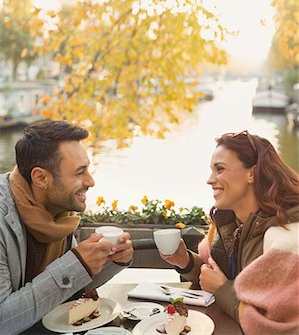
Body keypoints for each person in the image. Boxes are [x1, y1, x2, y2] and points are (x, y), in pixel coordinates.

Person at [0, 120, 134, 334]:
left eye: (87, 169)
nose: (90, 181)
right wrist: (76, 265)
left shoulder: (59, 215)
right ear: (41, 178)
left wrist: (111, 260)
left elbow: (67, 288)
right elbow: (3, 320)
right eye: (79, 172)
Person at [160, 130, 299, 334]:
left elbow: (277, 326)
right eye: (212, 170)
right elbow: (218, 276)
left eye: (220, 169)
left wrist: (222, 290)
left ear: (251, 173)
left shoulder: (286, 239)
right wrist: (187, 262)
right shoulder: (229, 222)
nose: (210, 179)